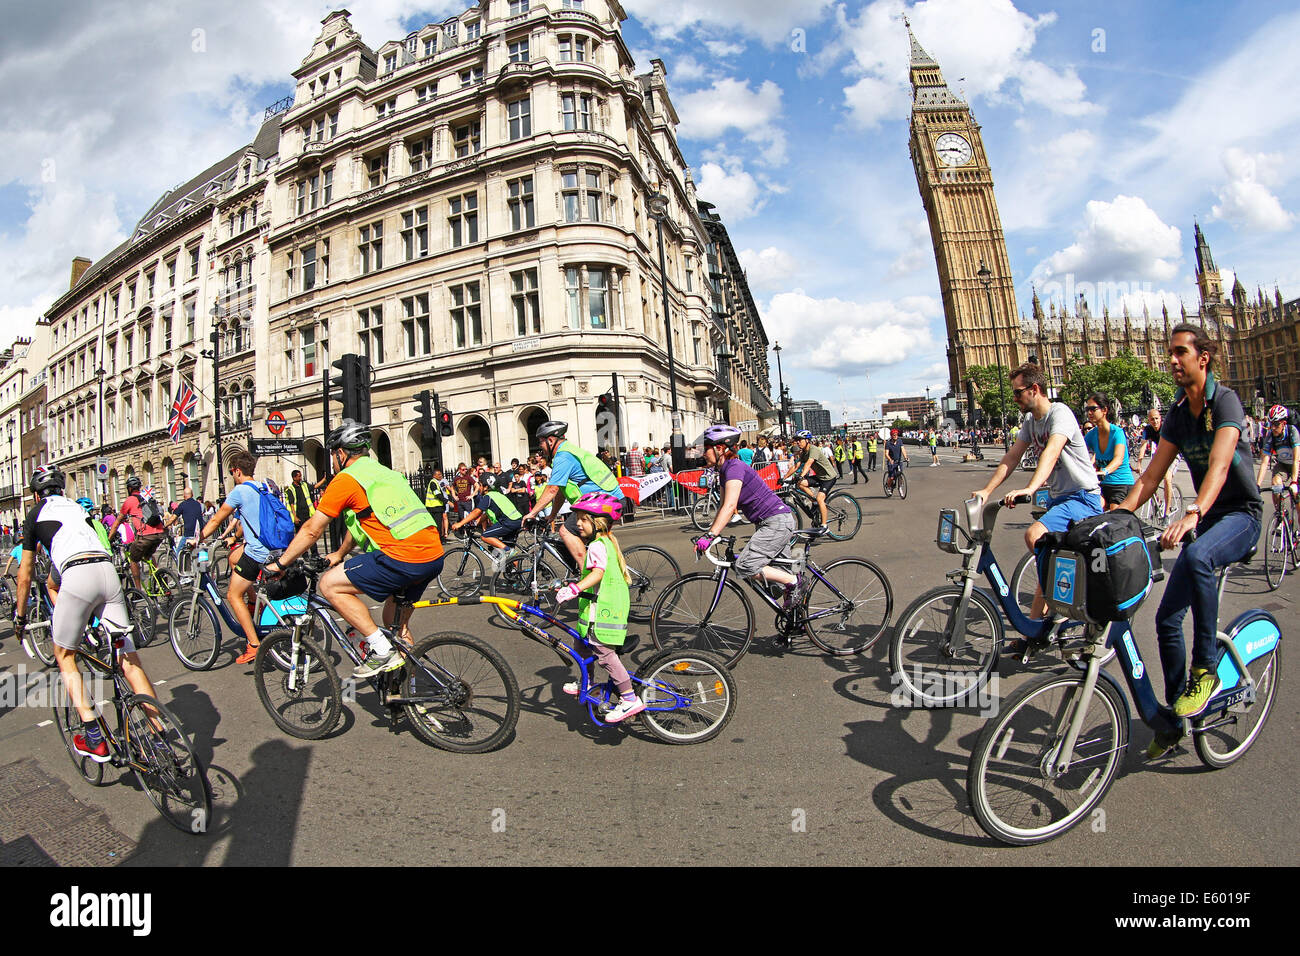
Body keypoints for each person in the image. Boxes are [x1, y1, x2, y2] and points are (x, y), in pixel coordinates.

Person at [1118, 325, 1263, 757]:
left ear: (1204, 358)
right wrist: (1115, 515)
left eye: (1180, 352)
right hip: (1209, 516)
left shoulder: (1226, 401)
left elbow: (1219, 466)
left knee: (1198, 555)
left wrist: (1194, 512)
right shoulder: (1180, 413)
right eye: (1169, 354)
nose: (1173, 361)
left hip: (1239, 515)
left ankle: (1206, 670)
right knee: (1165, 620)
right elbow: (1150, 476)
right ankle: (1177, 719)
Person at [267, 420, 446, 679]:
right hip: (433, 555)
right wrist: (340, 553)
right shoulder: (385, 473)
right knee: (395, 624)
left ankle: (382, 651)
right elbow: (363, 520)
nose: (332, 460)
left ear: (341, 453)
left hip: (403, 557)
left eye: (333, 455)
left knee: (329, 585)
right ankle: (410, 689)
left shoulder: (346, 479)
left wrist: (281, 564)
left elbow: (311, 530)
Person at [12, 466, 161, 763]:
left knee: (64, 656)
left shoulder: (35, 514)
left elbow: (25, 574)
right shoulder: (79, 509)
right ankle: (159, 733)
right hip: (105, 571)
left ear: (36, 493)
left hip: (77, 576)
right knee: (129, 660)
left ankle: (94, 737)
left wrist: (20, 617)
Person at [972, 362, 1102, 621]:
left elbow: (1052, 452)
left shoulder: (1060, 413)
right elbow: (1012, 457)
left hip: (1083, 497)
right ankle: (1035, 630)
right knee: (1048, 556)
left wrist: (1030, 488)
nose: (1015, 399)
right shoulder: (1031, 422)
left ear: (1034, 389)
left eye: (1017, 393)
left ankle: (1065, 600)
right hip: (1059, 500)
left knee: (1035, 536)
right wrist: (987, 491)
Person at [694, 424, 801, 639]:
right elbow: (726, 507)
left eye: (706, 447)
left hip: (776, 522)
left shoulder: (734, 467)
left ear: (721, 448)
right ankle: (798, 622)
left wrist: (710, 535)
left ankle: (796, 583)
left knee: (746, 565)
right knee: (775, 585)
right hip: (769, 523)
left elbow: (729, 505)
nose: (703, 453)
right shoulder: (724, 471)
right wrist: (713, 533)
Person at [552, 492, 643, 722]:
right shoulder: (604, 541)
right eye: (578, 519)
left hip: (605, 610)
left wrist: (574, 589)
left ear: (598, 522)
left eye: (583, 519)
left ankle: (629, 697)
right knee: (581, 642)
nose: (578, 524)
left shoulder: (596, 546)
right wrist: (573, 586)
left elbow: (597, 573)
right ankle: (588, 681)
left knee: (604, 653)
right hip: (598, 607)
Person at [194, 451, 280, 665]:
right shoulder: (263, 486)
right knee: (233, 559)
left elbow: (216, 520)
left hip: (258, 551)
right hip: (275, 545)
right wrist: (234, 538)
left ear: (237, 471)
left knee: (232, 595)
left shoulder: (239, 491)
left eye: (232, 472)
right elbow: (248, 521)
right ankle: (252, 601)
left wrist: (198, 538)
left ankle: (253, 644)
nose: (233, 475)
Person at [521, 421, 624, 570]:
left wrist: (532, 513)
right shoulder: (568, 451)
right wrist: (552, 515)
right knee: (583, 537)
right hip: (603, 501)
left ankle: (586, 577)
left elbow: (552, 489)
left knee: (565, 531)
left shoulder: (563, 456)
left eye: (541, 442)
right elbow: (561, 492)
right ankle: (595, 570)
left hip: (606, 502)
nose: (540, 447)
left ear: (550, 440)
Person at [108, 476, 166, 591]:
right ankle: (159, 579)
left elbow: (117, 523)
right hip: (160, 533)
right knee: (148, 555)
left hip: (145, 535)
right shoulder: (147, 497)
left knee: (133, 559)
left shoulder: (129, 501)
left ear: (129, 489)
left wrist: (108, 539)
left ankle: (138, 590)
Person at [1083, 392, 1135, 511]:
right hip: (1103, 485)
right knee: (1093, 510)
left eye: (1093, 409)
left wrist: (1104, 471)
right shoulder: (1091, 435)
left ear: (1104, 410)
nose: (1089, 413)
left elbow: (1118, 459)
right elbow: (1077, 452)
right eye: (1087, 409)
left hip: (1121, 484)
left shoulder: (1117, 433)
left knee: (1115, 516)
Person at [451, 482, 524, 557]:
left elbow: (477, 511)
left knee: (485, 536)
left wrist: (460, 523)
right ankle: (514, 567)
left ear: (485, 487)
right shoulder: (497, 494)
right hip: (516, 520)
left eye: (480, 485)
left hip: (508, 522)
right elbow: (486, 514)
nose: (478, 488)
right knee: (510, 553)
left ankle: (508, 551)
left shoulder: (488, 497)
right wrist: (475, 523)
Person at [791, 429, 836, 527]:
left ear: (807, 440)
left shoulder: (813, 449)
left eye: (800, 440)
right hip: (819, 477)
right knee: (800, 484)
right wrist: (784, 478)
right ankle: (814, 502)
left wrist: (801, 476)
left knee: (820, 498)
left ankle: (824, 526)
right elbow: (796, 466)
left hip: (829, 477)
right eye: (797, 440)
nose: (798, 442)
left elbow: (808, 464)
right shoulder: (803, 452)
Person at [1255, 404, 1299, 504]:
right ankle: (1280, 515)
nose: (1273, 428)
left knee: (1297, 498)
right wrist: (1257, 485)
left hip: (1296, 465)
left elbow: (1296, 460)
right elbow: (1264, 463)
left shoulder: (1292, 431)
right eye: (1271, 424)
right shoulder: (1270, 435)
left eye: (1276, 424)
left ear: (1283, 423)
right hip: (1282, 465)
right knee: (1276, 485)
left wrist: (1294, 482)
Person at [165, 485, 205, 559]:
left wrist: (164, 526)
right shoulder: (198, 504)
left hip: (188, 534)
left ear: (184, 496)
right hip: (199, 533)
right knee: (199, 551)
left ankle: (181, 568)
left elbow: (173, 518)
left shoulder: (182, 505)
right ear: (192, 494)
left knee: (179, 552)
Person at [424, 468, 449, 538]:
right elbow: (437, 494)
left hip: (436, 507)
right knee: (437, 524)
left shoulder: (436, 483)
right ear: (434, 476)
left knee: (437, 524)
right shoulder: (433, 483)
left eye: (441, 474)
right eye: (438, 474)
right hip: (434, 507)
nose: (440, 476)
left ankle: (438, 538)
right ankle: (438, 539)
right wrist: (447, 501)